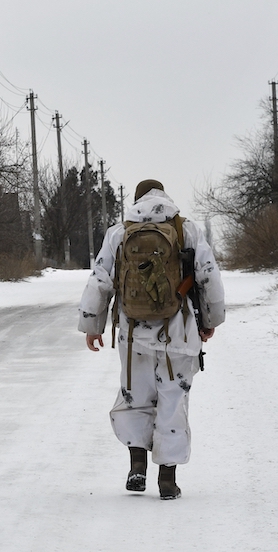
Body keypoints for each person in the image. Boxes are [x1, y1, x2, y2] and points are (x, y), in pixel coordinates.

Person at [78, 179, 225, 500]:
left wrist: (93, 325)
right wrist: (211, 320)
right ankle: (168, 480)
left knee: (135, 396)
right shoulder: (187, 230)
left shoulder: (119, 233)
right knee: (172, 399)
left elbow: (100, 278)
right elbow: (208, 275)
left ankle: (137, 468)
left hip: (133, 331)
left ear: (136, 200)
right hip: (179, 330)